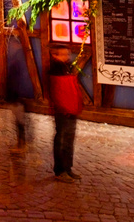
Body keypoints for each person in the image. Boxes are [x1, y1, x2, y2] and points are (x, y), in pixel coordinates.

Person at [48, 43, 84, 182]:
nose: (67, 57)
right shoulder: (55, 70)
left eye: (67, 54)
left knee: (69, 140)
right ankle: (60, 170)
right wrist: (66, 108)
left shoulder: (66, 68)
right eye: (63, 54)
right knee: (62, 140)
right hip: (63, 111)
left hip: (71, 109)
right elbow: (59, 93)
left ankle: (68, 168)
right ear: (54, 55)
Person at [1, 40, 36, 154]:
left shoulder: (18, 58)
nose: (10, 46)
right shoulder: (17, 57)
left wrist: (13, 94)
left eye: (12, 44)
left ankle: (22, 144)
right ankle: (22, 143)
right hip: (18, 94)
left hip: (18, 94)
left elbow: (17, 78)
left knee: (20, 121)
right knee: (20, 120)